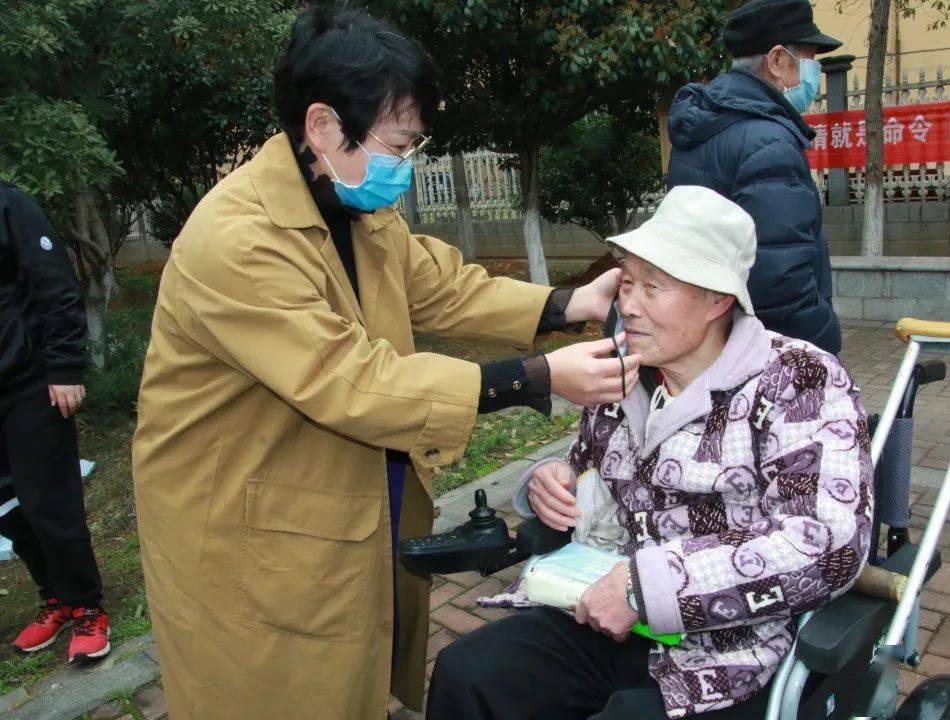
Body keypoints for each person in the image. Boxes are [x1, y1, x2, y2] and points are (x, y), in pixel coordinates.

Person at [131, 7, 640, 720]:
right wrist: (536, 378)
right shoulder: (237, 241)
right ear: (322, 126)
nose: (409, 162)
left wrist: (567, 303)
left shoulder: (351, 204)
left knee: (343, 677)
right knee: (267, 693)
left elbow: (440, 284)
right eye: (400, 142)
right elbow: (352, 381)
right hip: (240, 518)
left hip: (321, 492)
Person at [426, 186, 873, 720]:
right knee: (467, 674)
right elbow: (585, 460)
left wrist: (647, 589)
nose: (628, 307)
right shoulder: (624, 371)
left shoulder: (798, 380)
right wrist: (553, 478)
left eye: (653, 288)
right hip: (602, 613)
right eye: (628, 284)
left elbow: (829, 544)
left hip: (725, 649)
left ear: (717, 299)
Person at [666, 0, 843, 354]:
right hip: (765, 348)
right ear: (777, 60)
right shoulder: (768, 141)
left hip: (712, 337)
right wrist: (824, 338)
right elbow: (780, 280)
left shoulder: (708, 122)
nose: (812, 75)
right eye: (808, 61)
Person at [0, 180, 110, 662]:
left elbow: (54, 285)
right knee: (7, 507)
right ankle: (56, 598)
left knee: (50, 503)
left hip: (28, 383)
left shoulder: (10, 205)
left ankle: (87, 606)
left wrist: (65, 366)